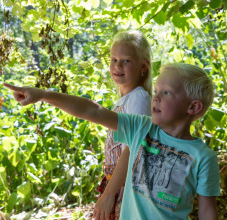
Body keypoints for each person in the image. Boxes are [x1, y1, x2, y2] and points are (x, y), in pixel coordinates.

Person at [4, 62, 220, 220]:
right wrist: (43, 94)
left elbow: (207, 210)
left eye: (167, 93)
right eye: (156, 91)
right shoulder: (142, 128)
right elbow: (93, 111)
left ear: (193, 107)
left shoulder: (203, 157)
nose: (156, 97)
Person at [95, 30, 152, 220]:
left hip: (128, 185)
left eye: (126, 60)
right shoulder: (126, 99)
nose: (118, 65)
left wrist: (109, 194)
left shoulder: (138, 98)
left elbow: (132, 150)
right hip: (118, 182)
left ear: (143, 66)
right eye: (113, 59)